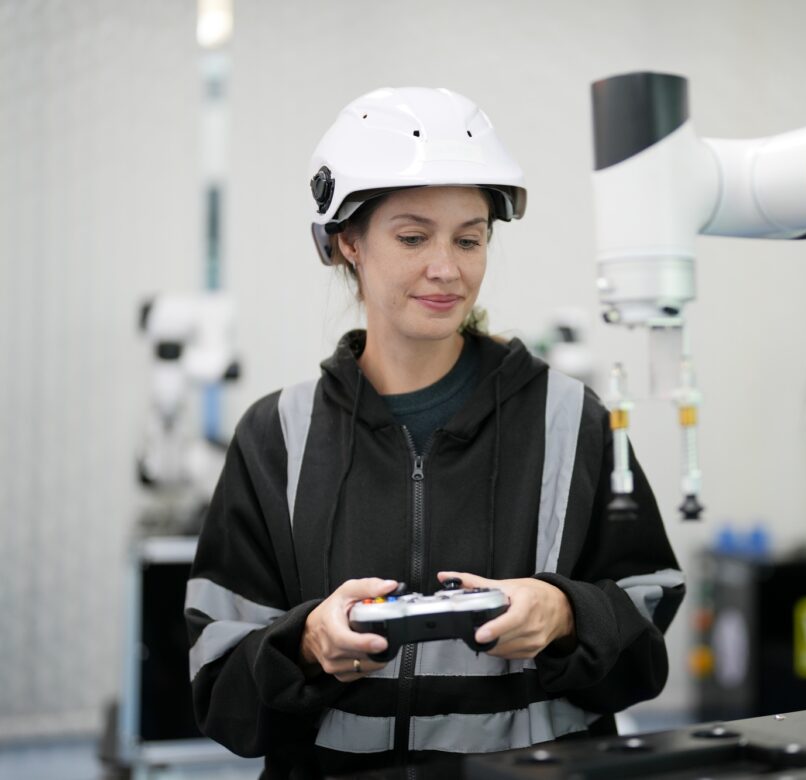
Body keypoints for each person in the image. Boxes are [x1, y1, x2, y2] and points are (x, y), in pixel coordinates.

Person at [184, 87, 684, 778]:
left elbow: (645, 636)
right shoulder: (277, 436)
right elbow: (218, 683)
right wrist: (307, 644)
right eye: (414, 237)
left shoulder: (573, 421)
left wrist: (567, 614)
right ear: (345, 243)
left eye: (470, 238)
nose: (447, 268)